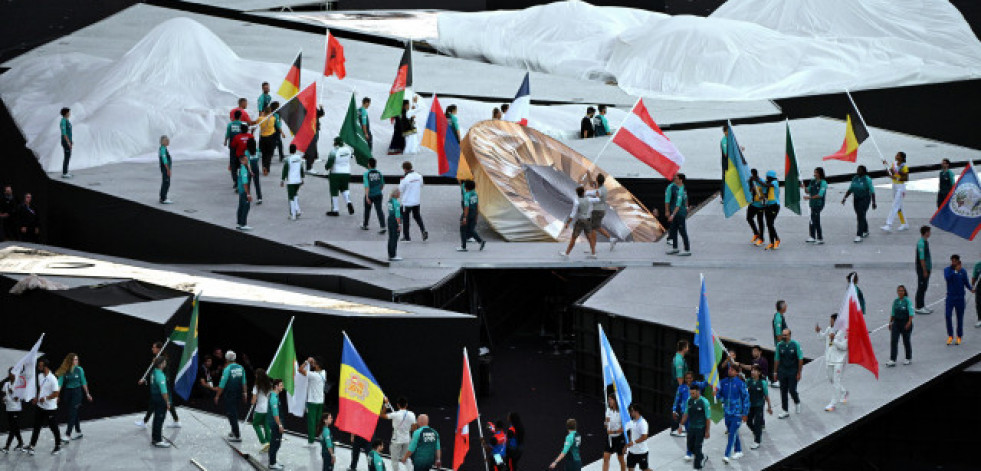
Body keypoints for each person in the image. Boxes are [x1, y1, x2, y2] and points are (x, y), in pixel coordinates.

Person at [137, 342, 180, 428]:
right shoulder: (157, 358)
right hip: (159, 385)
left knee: (166, 402)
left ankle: (176, 421)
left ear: (159, 349)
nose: (152, 349)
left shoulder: (163, 359)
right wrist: (144, 378)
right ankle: (145, 421)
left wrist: (161, 383)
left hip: (162, 385)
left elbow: (165, 374)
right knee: (154, 403)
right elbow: (152, 371)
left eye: (154, 347)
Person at [27, 358, 64, 455]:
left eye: (40, 365)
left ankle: (58, 445)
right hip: (40, 406)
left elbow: (56, 394)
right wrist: (36, 398)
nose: (38, 367)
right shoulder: (40, 376)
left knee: (53, 427)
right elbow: (40, 389)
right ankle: (32, 446)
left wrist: (46, 398)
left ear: (45, 367)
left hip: (50, 408)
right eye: (38, 365)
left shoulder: (53, 379)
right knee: (36, 426)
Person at [55, 353, 92, 440]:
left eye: (77, 359)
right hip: (68, 393)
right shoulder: (64, 370)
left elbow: (84, 382)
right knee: (73, 412)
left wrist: (87, 394)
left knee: (72, 412)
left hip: (77, 392)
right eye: (75, 359)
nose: (76, 361)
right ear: (70, 360)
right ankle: (78, 432)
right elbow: (59, 384)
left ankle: (68, 434)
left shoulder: (80, 369)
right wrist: (56, 395)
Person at [815, 314, 848, 412]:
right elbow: (822, 337)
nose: (830, 322)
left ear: (837, 321)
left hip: (839, 360)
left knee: (836, 381)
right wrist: (818, 332)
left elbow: (844, 346)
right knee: (831, 379)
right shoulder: (830, 328)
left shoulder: (845, 332)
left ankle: (833, 403)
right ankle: (843, 392)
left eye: (831, 320)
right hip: (829, 359)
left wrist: (834, 340)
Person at [717, 366, 749, 463]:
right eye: (729, 369)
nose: (729, 371)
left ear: (736, 372)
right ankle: (739, 451)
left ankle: (727, 455)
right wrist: (720, 398)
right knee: (733, 432)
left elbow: (746, 398)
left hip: (737, 413)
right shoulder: (723, 382)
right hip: (727, 412)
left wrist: (745, 413)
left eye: (732, 370)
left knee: (731, 433)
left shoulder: (740, 383)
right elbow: (719, 394)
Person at [214, 350, 246, 442]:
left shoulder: (227, 369)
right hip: (238, 394)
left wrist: (217, 396)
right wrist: (245, 393)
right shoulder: (241, 368)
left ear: (226, 359)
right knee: (233, 412)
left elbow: (222, 384)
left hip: (230, 394)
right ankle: (233, 430)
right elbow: (244, 382)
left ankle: (237, 435)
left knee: (232, 414)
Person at [944, 254, 974, 345]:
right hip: (950, 297)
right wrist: (955, 272)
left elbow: (966, 282)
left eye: (955, 261)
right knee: (948, 315)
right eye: (952, 260)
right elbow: (948, 279)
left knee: (959, 318)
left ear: (958, 261)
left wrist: (971, 288)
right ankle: (950, 335)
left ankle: (959, 336)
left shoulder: (963, 271)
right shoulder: (947, 270)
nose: (953, 262)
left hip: (960, 298)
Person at [773, 329, 803, 418]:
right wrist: (775, 372)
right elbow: (777, 359)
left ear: (790, 335)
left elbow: (800, 359)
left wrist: (799, 372)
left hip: (793, 371)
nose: (784, 337)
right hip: (782, 371)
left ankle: (797, 402)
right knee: (783, 391)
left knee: (792, 389)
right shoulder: (779, 345)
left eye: (785, 335)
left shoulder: (795, 344)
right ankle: (785, 410)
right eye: (783, 335)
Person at [559, 186, 597, 259]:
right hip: (588, 220)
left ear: (577, 194)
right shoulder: (589, 199)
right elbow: (598, 200)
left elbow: (573, 214)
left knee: (574, 238)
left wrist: (568, 223)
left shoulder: (577, 201)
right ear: (583, 192)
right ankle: (593, 253)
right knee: (590, 237)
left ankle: (566, 253)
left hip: (580, 221)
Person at [841, 165, 876, 242]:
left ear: (864, 171)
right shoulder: (855, 178)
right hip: (856, 199)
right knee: (860, 215)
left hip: (865, 199)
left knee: (860, 215)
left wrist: (873, 202)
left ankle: (859, 235)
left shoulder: (867, 179)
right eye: (857, 169)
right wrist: (844, 198)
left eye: (859, 170)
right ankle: (866, 230)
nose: (858, 171)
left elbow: (872, 192)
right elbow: (850, 189)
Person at [297, 357, 327, 446]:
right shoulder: (324, 373)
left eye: (315, 364)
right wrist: (313, 362)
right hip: (320, 402)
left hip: (312, 402)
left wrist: (307, 361)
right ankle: (322, 437)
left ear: (317, 366)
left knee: (311, 422)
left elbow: (300, 370)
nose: (313, 365)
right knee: (319, 421)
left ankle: (311, 442)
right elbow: (316, 367)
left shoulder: (313, 375)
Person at [681, 384, 711, 469]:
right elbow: (686, 413)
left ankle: (697, 467)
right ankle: (701, 456)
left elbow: (708, 418)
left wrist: (707, 431)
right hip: (691, 427)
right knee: (690, 446)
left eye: (693, 393)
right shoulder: (689, 400)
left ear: (698, 392)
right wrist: (681, 424)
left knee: (697, 447)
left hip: (700, 428)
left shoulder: (704, 402)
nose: (691, 395)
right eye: (690, 393)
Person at [382, 397, 416, 471]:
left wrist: (386, 404)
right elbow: (414, 428)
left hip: (396, 440)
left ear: (397, 405)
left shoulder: (395, 414)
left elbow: (382, 415)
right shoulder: (412, 414)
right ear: (406, 405)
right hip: (407, 439)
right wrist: (407, 430)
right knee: (406, 458)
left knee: (394, 460)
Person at [586, 174, 619, 251]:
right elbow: (592, 184)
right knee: (597, 227)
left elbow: (596, 196)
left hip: (597, 211)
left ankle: (593, 248)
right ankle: (611, 239)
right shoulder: (602, 188)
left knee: (593, 228)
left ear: (597, 180)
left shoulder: (600, 190)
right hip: (601, 210)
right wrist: (588, 175)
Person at [886, 285, 915, 366]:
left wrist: (909, 323)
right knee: (894, 341)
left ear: (904, 292)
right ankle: (892, 359)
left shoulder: (907, 301)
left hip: (905, 323)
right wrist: (890, 322)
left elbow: (911, 313)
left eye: (902, 291)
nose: (900, 292)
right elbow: (893, 313)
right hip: (896, 323)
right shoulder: (895, 301)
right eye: (899, 291)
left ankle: (908, 358)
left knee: (906, 341)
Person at [399, 162, 428, 242]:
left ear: (404, 169)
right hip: (416, 201)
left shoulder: (405, 178)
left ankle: (407, 237)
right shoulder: (419, 176)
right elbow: (422, 185)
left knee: (406, 218)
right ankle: (423, 230)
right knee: (417, 216)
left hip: (407, 202)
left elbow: (400, 190)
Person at [326, 137, 355, 216]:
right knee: (345, 189)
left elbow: (330, 163)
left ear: (336, 143)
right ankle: (348, 202)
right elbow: (351, 156)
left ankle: (335, 209)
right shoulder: (348, 150)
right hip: (346, 172)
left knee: (334, 191)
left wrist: (326, 167)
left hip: (335, 173)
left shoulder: (334, 151)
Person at [745, 365, 772, 449]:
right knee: (748, 422)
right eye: (752, 370)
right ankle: (756, 432)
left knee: (757, 423)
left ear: (759, 373)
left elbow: (766, 396)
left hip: (759, 406)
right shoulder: (748, 381)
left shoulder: (763, 383)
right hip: (750, 405)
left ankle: (757, 441)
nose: (753, 372)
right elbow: (744, 393)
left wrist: (769, 407)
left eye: (755, 370)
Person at [882, 151, 910, 231]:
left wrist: (896, 177)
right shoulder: (894, 163)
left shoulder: (904, 166)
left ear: (902, 158)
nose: (896, 156)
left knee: (894, 205)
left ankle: (889, 224)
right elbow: (890, 173)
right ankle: (905, 224)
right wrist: (885, 165)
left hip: (901, 187)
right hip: (894, 186)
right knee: (899, 206)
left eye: (898, 155)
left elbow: (906, 178)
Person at [147, 356, 171, 448]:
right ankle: (158, 440)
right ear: (161, 364)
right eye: (164, 362)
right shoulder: (160, 375)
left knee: (156, 418)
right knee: (159, 419)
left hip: (154, 397)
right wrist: (168, 402)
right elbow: (164, 391)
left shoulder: (153, 372)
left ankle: (155, 438)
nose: (165, 364)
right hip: (160, 399)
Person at [665, 173, 691, 256]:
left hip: (679, 213)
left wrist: (672, 215)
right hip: (675, 212)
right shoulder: (674, 187)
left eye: (676, 178)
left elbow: (678, 205)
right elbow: (686, 198)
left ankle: (687, 249)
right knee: (674, 230)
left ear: (680, 180)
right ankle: (675, 248)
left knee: (682, 231)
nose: (674, 179)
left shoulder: (681, 190)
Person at [458, 180, 486, 252]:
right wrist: (476, 215)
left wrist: (464, 218)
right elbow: (477, 205)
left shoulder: (467, 195)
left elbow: (466, 207)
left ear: (466, 187)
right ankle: (480, 241)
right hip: (474, 213)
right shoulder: (475, 194)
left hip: (468, 214)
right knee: (471, 230)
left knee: (463, 229)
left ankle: (463, 247)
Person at [621, 404, 651, 471]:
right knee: (630, 469)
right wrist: (626, 446)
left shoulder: (643, 423)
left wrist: (633, 442)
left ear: (636, 412)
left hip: (641, 452)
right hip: (632, 452)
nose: (630, 413)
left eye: (631, 411)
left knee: (645, 469)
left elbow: (644, 437)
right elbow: (628, 433)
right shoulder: (632, 422)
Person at [2, 367, 25, 452]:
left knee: (13, 428)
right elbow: (4, 394)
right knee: (15, 428)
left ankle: (7, 446)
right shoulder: (6, 384)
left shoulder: (19, 385)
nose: (10, 375)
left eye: (12, 373)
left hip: (16, 409)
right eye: (9, 373)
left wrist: (14, 393)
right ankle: (21, 443)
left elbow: (19, 398)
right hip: (8, 408)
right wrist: (4, 398)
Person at [602, 394, 626, 471]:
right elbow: (606, 425)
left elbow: (623, 429)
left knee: (620, 459)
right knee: (606, 458)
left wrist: (613, 431)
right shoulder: (608, 410)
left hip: (619, 438)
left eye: (610, 400)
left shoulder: (621, 412)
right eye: (608, 399)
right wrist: (605, 422)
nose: (609, 401)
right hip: (610, 438)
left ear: (615, 401)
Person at [281, 143, 305, 220]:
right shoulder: (299, 158)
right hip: (298, 180)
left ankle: (293, 215)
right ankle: (298, 210)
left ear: (289, 150)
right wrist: (302, 178)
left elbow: (285, 170)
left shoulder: (288, 159)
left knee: (291, 197)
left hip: (291, 181)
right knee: (295, 195)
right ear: (295, 150)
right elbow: (301, 169)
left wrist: (282, 180)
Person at [225, 110, 248, 189]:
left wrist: (225, 141)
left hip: (232, 146)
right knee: (241, 163)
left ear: (234, 116)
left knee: (233, 164)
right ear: (240, 116)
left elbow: (227, 134)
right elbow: (246, 134)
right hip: (241, 146)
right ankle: (241, 179)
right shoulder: (243, 124)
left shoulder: (230, 125)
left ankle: (235, 181)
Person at [258, 102, 284, 175]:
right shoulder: (274, 116)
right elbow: (278, 125)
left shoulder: (262, 118)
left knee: (264, 153)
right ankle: (267, 167)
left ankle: (264, 166)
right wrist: (282, 132)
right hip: (272, 135)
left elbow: (256, 123)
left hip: (263, 137)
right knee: (270, 153)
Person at [803, 167, 827, 244]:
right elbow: (808, 191)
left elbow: (820, 195)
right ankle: (812, 236)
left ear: (820, 174)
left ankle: (820, 238)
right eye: (814, 172)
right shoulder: (812, 181)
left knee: (816, 220)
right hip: (812, 204)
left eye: (816, 173)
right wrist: (804, 187)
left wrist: (809, 197)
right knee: (811, 219)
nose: (814, 174)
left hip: (819, 204)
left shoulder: (823, 183)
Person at [362, 158, 386, 232]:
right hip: (378, 194)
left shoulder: (366, 174)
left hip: (370, 195)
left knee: (367, 210)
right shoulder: (379, 173)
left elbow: (367, 186)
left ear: (369, 164)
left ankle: (365, 225)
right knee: (379, 210)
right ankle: (383, 226)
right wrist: (378, 190)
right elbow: (382, 184)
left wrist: (367, 196)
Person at [251, 369, 272, 452]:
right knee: (266, 425)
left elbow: (254, 400)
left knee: (255, 424)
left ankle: (263, 441)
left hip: (260, 409)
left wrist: (252, 402)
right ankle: (269, 442)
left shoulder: (256, 386)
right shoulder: (269, 385)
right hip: (268, 408)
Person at [267, 379, 285, 470]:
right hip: (275, 424)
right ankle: (272, 463)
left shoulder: (275, 396)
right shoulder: (274, 398)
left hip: (275, 422)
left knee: (275, 443)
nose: (283, 387)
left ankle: (272, 460)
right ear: (276, 386)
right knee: (275, 443)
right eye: (281, 385)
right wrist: (280, 425)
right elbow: (275, 414)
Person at [915, 226, 932, 314]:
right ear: (925, 232)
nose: (930, 233)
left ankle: (922, 305)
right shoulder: (921, 243)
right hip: (922, 269)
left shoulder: (926, 242)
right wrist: (924, 270)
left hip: (927, 268)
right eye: (929, 232)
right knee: (921, 287)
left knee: (924, 287)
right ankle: (919, 306)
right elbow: (921, 259)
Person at [746, 169, 766, 246]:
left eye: (751, 175)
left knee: (760, 221)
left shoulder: (761, 181)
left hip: (760, 205)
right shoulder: (750, 181)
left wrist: (763, 197)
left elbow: (765, 192)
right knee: (749, 218)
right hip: (753, 203)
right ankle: (756, 233)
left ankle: (761, 239)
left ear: (755, 174)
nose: (751, 177)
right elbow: (749, 190)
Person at [762, 170, 781, 250]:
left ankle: (777, 240)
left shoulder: (775, 182)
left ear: (770, 177)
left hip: (775, 206)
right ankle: (772, 242)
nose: (766, 178)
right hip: (768, 205)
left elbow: (767, 185)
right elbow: (765, 195)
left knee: (770, 223)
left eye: (767, 177)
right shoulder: (767, 184)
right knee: (769, 224)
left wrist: (757, 179)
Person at [235, 153, 253, 230]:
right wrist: (248, 194)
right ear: (242, 161)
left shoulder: (242, 168)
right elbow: (245, 183)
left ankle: (239, 223)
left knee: (241, 206)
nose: (247, 161)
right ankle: (243, 224)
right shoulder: (244, 170)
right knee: (246, 207)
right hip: (244, 190)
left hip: (241, 190)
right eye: (245, 160)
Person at [156, 135, 174, 204]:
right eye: (167, 140)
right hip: (165, 169)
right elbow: (164, 160)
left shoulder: (163, 148)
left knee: (165, 182)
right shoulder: (163, 149)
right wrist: (168, 170)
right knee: (166, 183)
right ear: (163, 142)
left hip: (165, 168)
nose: (168, 141)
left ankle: (162, 197)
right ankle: (163, 198)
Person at [245, 137, 263, 204]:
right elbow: (258, 158)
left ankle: (248, 197)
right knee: (257, 183)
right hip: (256, 168)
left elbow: (247, 162)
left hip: (249, 169)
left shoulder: (247, 152)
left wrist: (250, 171)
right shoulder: (257, 150)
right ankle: (259, 198)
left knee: (248, 184)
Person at [387, 189, 403, 261]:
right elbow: (397, 215)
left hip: (390, 219)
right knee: (394, 238)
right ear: (396, 194)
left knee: (390, 237)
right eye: (399, 193)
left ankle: (390, 254)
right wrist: (399, 224)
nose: (400, 194)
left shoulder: (390, 201)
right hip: (394, 220)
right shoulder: (396, 203)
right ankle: (393, 255)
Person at [60, 107, 73, 178]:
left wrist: (71, 141)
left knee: (68, 156)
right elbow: (64, 133)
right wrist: (68, 142)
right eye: (68, 112)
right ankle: (64, 173)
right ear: (65, 113)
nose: (69, 114)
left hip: (68, 141)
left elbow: (69, 132)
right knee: (67, 156)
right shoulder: (63, 121)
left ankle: (66, 171)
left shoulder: (67, 121)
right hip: (65, 141)